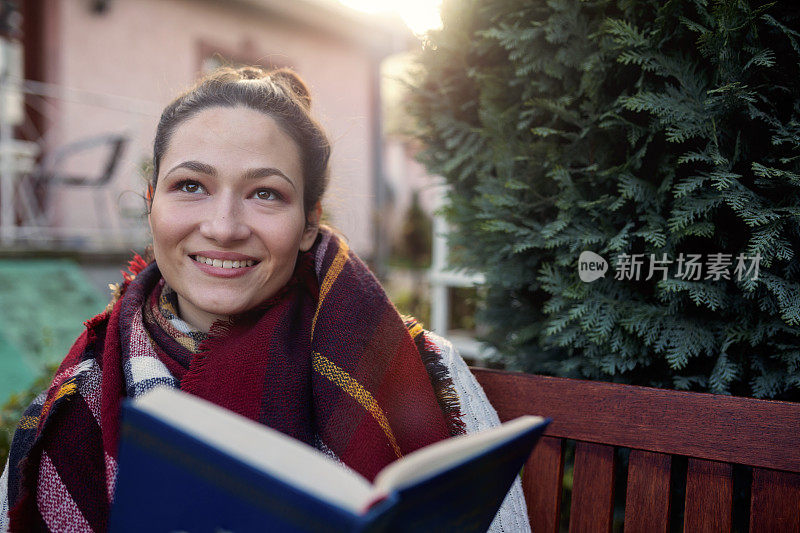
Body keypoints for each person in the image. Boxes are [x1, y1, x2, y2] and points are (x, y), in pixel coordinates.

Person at [0, 66, 529, 532]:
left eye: (265, 194)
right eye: (190, 185)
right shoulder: (82, 395)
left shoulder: (426, 367)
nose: (224, 227)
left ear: (309, 222)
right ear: (151, 204)